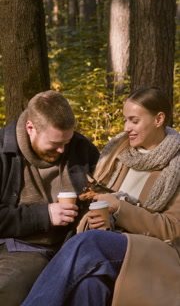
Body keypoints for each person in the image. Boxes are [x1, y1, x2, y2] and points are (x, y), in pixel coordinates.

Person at [21, 87, 180, 306]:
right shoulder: (118, 153)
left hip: (155, 251)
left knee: (88, 242)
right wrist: (100, 219)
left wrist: (119, 210)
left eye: (134, 121)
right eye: (125, 120)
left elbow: (172, 228)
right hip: (113, 244)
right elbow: (98, 201)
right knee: (90, 285)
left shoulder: (176, 166)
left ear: (159, 119)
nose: (126, 128)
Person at [0, 90, 100, 306]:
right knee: (6, 287)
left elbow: (105, 194)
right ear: (30, 128)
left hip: (68, 248)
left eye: (67, 141)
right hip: (17, 246)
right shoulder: (2, 152)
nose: (62, 149)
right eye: (54, 143)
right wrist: (43, 215)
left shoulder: (82, 150)